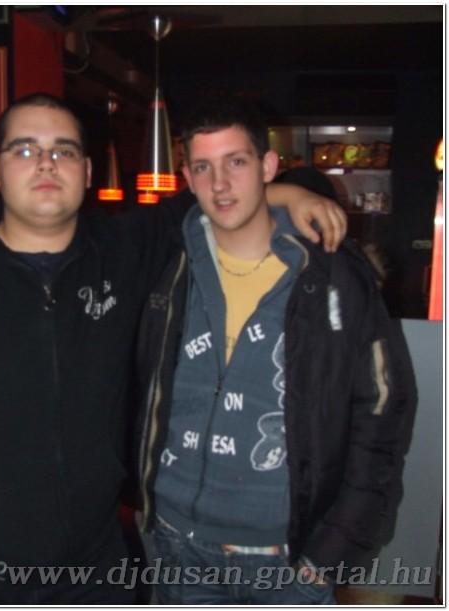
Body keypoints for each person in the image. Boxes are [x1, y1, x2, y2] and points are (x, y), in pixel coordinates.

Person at [0, 92, 347, 605]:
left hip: (99, 564)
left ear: (87, 171)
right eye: (24, 150)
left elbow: (212, 194)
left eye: (64, 150)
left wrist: (289, 193)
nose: (46, 163)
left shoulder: (122, 248)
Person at [135, 95, 408, 605]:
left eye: (236, 162)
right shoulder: (166, 264)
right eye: (203, 167)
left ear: (267, 166)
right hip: (175, 546)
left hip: (287, 558)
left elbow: (381, 410)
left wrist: (337, 546)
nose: (220, 184)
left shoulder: (331, 274)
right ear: (187, 177)